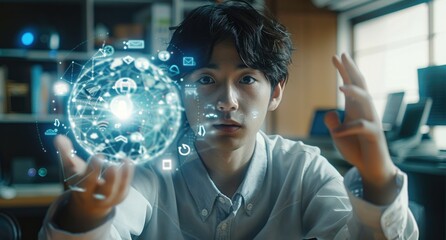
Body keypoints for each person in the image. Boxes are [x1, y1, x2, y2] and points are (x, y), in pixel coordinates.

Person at [39, 1, 418, 239]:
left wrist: (379, 180)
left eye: (247, 78)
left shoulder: (304, 171)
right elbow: (114, 225)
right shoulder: (147, 170)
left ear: (277, 90)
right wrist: (86, 219)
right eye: (206, 80)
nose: (227, 101)